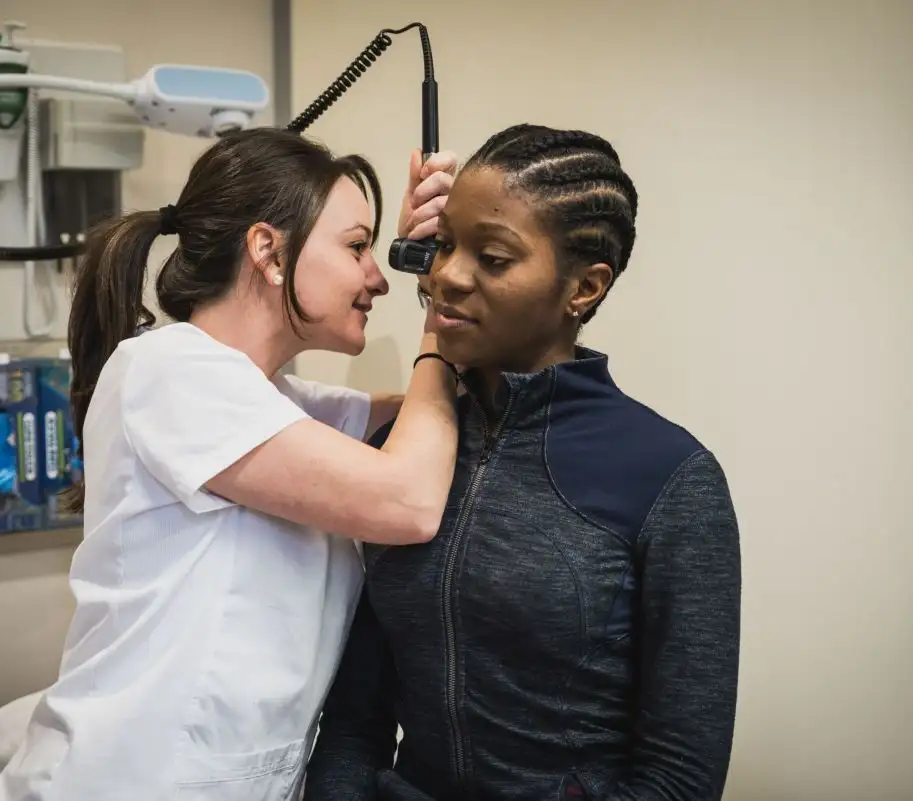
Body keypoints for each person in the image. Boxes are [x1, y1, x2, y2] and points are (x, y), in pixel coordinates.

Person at [0, 128, 462, 801]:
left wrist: (439, 269)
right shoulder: (170, 370)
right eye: (358, 247)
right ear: (267, 249)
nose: (376, 275)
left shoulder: (276, 401)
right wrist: (444, 306)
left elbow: (432, 414)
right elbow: (408, 500)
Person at [303, 124, 743, 801]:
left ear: (584, 288)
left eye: (494, 257)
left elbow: (678, 779)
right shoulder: (398, 460)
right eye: (444, 244)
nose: (446, 274)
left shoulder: (671, 479)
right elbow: (355, 723)